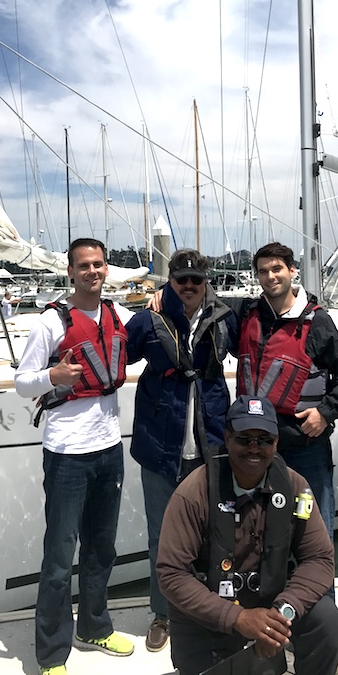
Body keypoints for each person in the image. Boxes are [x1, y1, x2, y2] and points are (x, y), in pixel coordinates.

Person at [157, 394, 338, 675]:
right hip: (208, 616)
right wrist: (237, 618)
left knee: (327, 622)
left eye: (264, 439)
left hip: (270, 603)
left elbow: (319, 558)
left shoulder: (297, 488)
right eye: (244, 439)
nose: (254, 448)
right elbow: (171, 573)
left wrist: (283, 614)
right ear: (228, 438)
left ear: (276, 441)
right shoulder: (193, 493)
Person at [14, 237, 135, 675]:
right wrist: (53, 377)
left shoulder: (115, 315)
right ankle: (51, 656)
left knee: (102, 547)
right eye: (83, 265)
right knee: (59, 559)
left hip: (108, 449)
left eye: (99, 264)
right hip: (66, 453)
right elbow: (24, 384)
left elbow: (143, 336)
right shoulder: (50, 322)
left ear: (107, 269)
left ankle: (95, 627)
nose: (92, 272)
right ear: (70, 271)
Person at [126, 248, 239, 653]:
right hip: (161, 445)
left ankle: (210, 607)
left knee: (217, 531)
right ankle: (164, 613)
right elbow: (113, 356)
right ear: (170, 280)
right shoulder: (148, 318)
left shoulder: (226, 317)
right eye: (181, 280)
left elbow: (262, 343)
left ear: (205, 280)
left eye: (196, 279)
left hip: (210, 443)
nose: (188, 286)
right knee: (162, 536)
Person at [237, 242, 338, 539]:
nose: (271, 277)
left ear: (292, 271)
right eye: (263, 271)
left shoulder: (316, 322)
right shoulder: (247, 316)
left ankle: (320, 588)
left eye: (277, 269)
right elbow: (203, 302)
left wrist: (326, 413)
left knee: (312, 531)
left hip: (305, 449)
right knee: (262, 533)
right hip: (258, 449)